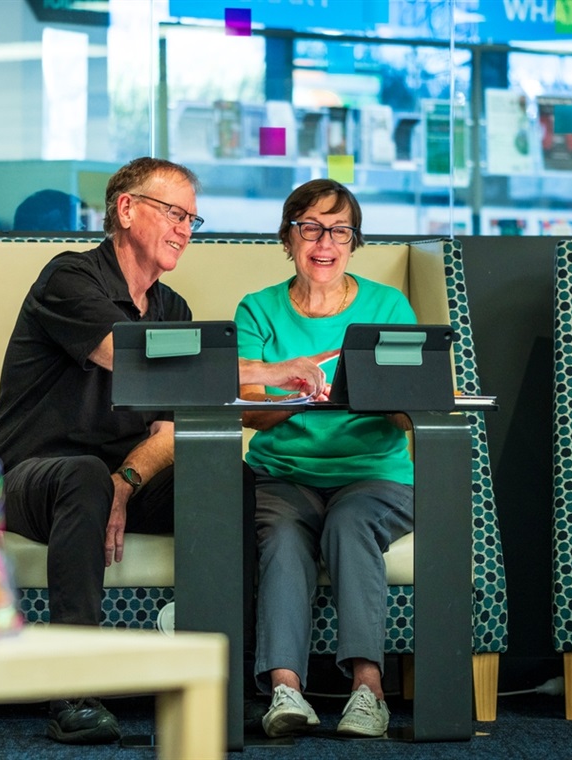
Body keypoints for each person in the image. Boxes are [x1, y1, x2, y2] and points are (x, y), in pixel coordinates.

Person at [0, 156, 327, 745]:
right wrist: (270, 369)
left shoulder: (173, 310)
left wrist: (127, 481)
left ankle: (225, 683)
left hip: (107, 480)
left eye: (193, 218)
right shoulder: (69, 279)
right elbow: (129, 357)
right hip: (26, 479)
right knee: (84, 476)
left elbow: (169, 428)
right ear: (127, 209)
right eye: (174, 212)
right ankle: (73, 691)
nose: (185, 228)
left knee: (227, 480)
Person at [234, 178, 416, 739]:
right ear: (288, 238)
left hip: (376, 478)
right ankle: (286, 690)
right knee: (283, 536)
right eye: (310, 227)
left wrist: (384, 393)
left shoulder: (388, 307)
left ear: (354, 242)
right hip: (283, 476)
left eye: (340, 230)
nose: (325, 242)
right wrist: (296, 388)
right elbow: (249, 412)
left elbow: (410, 415)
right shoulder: (257, 310)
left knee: (349, 522)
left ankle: (369, 691)